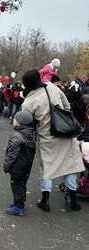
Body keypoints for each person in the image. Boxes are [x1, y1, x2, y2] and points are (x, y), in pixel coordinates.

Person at [21, 69, 85, 212]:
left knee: (48, 168)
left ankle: (45, 201)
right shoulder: (52, 87)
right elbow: (67, 107)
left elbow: (27, 124)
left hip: (47, 137)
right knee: (71, 165)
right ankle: (72, 199)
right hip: (66, 133)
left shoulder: (28, 102)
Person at [3, 110, 36, 216]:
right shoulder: (30, 134)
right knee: (22, 184)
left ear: (20, 122)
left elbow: (12, 154)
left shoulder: (17, 135)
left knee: (16, 185)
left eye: (15, 119)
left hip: (18, 166)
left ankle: (19, 207)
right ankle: (19, 202)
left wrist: (6, 166)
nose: (13, 120)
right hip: (26, 165)